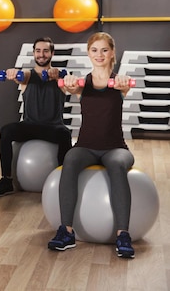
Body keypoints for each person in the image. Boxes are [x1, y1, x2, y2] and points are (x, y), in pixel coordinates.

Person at [48, 31, 136, 259]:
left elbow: (126, 87)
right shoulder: (82, 83)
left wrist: (124, 82)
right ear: (88, 53)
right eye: (95, 50)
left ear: (112, 52)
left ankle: (122, 234)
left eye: (104, 50)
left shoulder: (120, 82)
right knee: (70, 158)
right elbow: (71, 88)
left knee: (117, 164)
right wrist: (67, 83)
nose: (100, 54)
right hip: (86, 146)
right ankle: (66, 231)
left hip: (115, 148)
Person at [0, 37, 73, 197]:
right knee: (6, 131)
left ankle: (63, 180)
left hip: (53, 127)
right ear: (34, 53)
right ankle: (6, 180)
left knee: (65, 134)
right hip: (30, 126)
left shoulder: (61, 76)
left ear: (52, 53)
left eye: (45, 51)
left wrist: (58, 76)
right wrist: (13, 73)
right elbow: (23, 76)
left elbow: (67, 80)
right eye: (38, 51)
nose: (41, 54)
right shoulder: (26, 76)